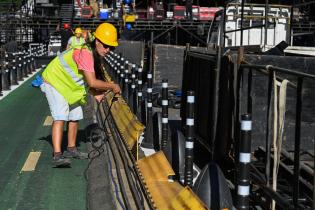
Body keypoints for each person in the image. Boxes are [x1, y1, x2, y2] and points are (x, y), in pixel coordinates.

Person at [41, 23, 121, 167]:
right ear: (97, 41)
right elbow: (92, 81)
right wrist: (112, 86)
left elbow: (85, 76)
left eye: (112, 47)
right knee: (60, 116)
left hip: (67, 85)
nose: (108, 50)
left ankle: (72, 149)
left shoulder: (94, 54)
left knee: (75, 115)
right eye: (106, 46)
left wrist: (95, 93)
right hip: (54, 81)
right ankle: (57, 155)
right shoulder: (86, 53)